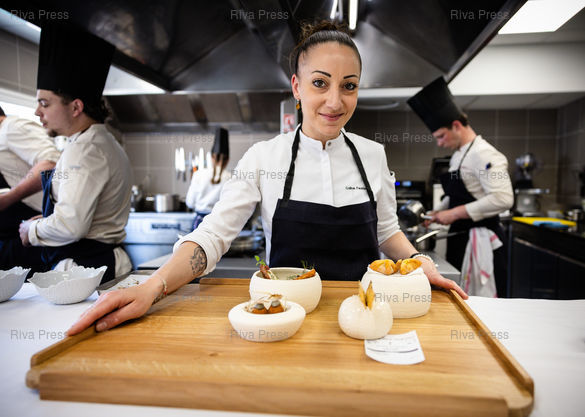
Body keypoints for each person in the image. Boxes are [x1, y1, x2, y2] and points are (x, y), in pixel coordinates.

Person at [68, 21, 467, 336]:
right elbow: (214, 235)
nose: (335, 101)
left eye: (349, 86)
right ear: (297, 87)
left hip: (362, 315)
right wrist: (152, 286)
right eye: (320, 83)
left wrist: (418, 262)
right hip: (281, 318)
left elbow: (386, 230)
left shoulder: (372, 155)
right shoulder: (263, 157)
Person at [18, 23, 132, 283]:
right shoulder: (101, 140)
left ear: (76, 107)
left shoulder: (85, 150)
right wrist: (48, 220)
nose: (37, 112)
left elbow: (72, 225)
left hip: (85, 269)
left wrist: (31, 229)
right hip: (100, 264)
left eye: (45, 103)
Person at [407, 77, 514, 297]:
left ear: (456, 125)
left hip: (481, 239)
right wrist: (437, 212)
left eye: (441, 136)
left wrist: (453, 214)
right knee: (460, 295)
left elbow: (503, 198)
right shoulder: (459, 156)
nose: (439, 143)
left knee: (482, 303)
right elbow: (456, 195)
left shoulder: (484, 154)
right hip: (461, 238)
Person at [0, 105, 61, 271]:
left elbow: (50, 164)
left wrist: (8, 198)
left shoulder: (13, 127)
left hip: (29, 236)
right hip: (10, 240)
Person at [186, 127, 231, 230]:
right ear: (228, 160)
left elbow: (190, 203)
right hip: (220, 224)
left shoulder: (198, 174)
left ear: (211, 157)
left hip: (200, 224)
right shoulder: (230, 178)